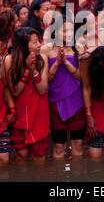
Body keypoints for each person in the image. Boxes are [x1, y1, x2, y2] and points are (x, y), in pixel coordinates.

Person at [3, 27, 49, 161]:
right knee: (21, 155)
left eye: (39, 41)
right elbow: (15, 91)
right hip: (21, 112)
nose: (39, 45)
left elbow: (42, 89)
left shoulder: (43, 58)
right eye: (35, 42)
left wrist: (33, 70)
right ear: (24, 44)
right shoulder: (9, 60)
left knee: (39, 156)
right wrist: (27, 72)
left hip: (39, 113)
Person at [41, 22, 86, 159]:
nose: (68, 34)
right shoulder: (46, 50)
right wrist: (56, 63)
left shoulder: (79, 48)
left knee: (78, 143)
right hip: (56, 101)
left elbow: (83, 78)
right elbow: (45, 80)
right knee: (59, 145)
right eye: (64, 30)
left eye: (71, 30)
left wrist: (66, 63)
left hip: (77, 100)